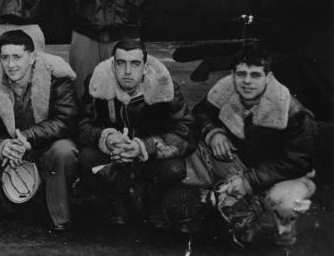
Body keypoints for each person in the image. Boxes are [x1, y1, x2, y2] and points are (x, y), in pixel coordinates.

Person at [189, 42, 316, 246]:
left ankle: (282, 230)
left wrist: (249, 181)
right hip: (239, 165)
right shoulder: (225, 89)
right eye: (241, 74)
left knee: (286, 205)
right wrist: (213, 133)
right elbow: (200, 112)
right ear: (233, 75)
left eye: (255, 75)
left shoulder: (293, 112)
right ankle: (230, 204)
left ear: (268, 77)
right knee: (193, 148)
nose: (247, 82)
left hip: (278, 176)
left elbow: (299, 162)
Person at [0, 29, 78, 231]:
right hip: (10, 153)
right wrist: (1, 145)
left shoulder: (56, 76)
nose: (10, 65)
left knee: (65, 151)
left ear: (32, 56)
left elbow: (66, 119)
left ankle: (58, 213)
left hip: (43, 148)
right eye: (5, 58)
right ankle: (12, 203)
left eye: (17, 57)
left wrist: (29, 137)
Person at [78, 38, 194, 228]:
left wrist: (143, 146)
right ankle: (118, 198)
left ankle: (152, 199)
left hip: (150, 156)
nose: (128, 71)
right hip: (113, 155)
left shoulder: (165, 87)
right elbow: (82, 124)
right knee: (86, 157)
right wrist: (106, 138)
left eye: (135, 64)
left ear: (145, 68)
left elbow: (186, 131)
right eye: (121, 63)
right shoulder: (97, 83)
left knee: (174, 168)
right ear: (112, 65)